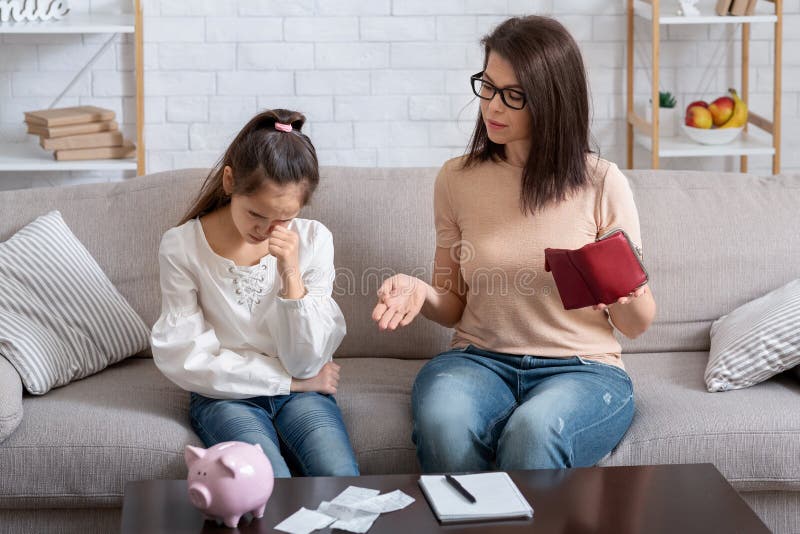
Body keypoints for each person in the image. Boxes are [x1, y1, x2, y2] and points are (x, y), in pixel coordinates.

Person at [371, 16, 656, 473]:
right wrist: (421, 291)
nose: (492, 107)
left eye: (513, 95)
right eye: (487, 86)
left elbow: (637, 324)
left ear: (552, 100)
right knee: (445, 420)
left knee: (534, 431)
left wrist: (626, 296)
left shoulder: (601, 182)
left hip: (581, 367)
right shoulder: (456, 179)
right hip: (479, 362)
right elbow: (453, 306)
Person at [151, 109, 359, 478]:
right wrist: (289, 383)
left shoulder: (313, 240)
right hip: (227, 396)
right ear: (230, 181)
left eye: (282, 219)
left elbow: (306, 363)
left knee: (339, 477)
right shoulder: (181, 246)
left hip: (305, 392)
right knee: (264, 481)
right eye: (255, 214)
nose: (265, 230)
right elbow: (186, 357)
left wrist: (291, 273)